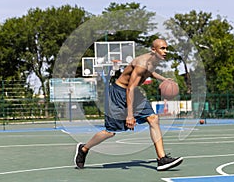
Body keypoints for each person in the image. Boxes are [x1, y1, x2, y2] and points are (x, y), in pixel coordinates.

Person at [75, 39, 183, 171]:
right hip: (119, 93)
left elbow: (150, 72)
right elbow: (129, 88)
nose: (165, 51)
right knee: (110, 132)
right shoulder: (142, 63)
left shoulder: (153, 61)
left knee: (153, 118)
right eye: (162, 48)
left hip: (133, 93)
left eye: (166, 48)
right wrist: (130, 116)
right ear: (153, 50)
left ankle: (162, 159)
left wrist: (164, 79)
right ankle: (84, 148)